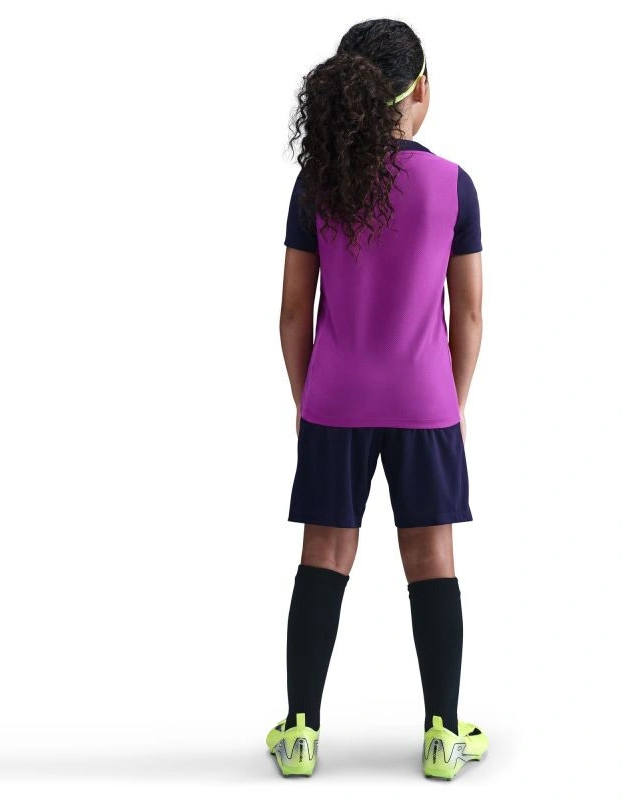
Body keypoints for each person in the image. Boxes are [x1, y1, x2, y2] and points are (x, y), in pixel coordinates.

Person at [267, 18, 487, 780]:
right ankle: (443, 734)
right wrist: (452, 403)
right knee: (432, 560)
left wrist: (308, 400)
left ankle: (300, 732)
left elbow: (293, 314)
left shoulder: (317, 184)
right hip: (426, 403)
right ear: (419, 88)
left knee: (323, 556)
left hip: (335, 401)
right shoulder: (453, 185)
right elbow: (470, 315)